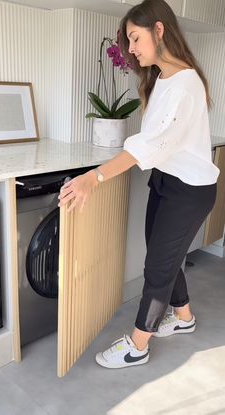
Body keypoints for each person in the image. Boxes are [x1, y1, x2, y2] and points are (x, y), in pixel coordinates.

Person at [58, 0, 220, 369]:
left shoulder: (184, 85)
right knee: (163, 257)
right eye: (128, 41)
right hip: (166, 180)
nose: (130, 49)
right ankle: (184, 318)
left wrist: (94, 176)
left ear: (159, 29)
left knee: (159, 267)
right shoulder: (162, 78)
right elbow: (154, 143)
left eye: (134, 38)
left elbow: (150, 144)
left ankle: (138, 345)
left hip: (190, 191)